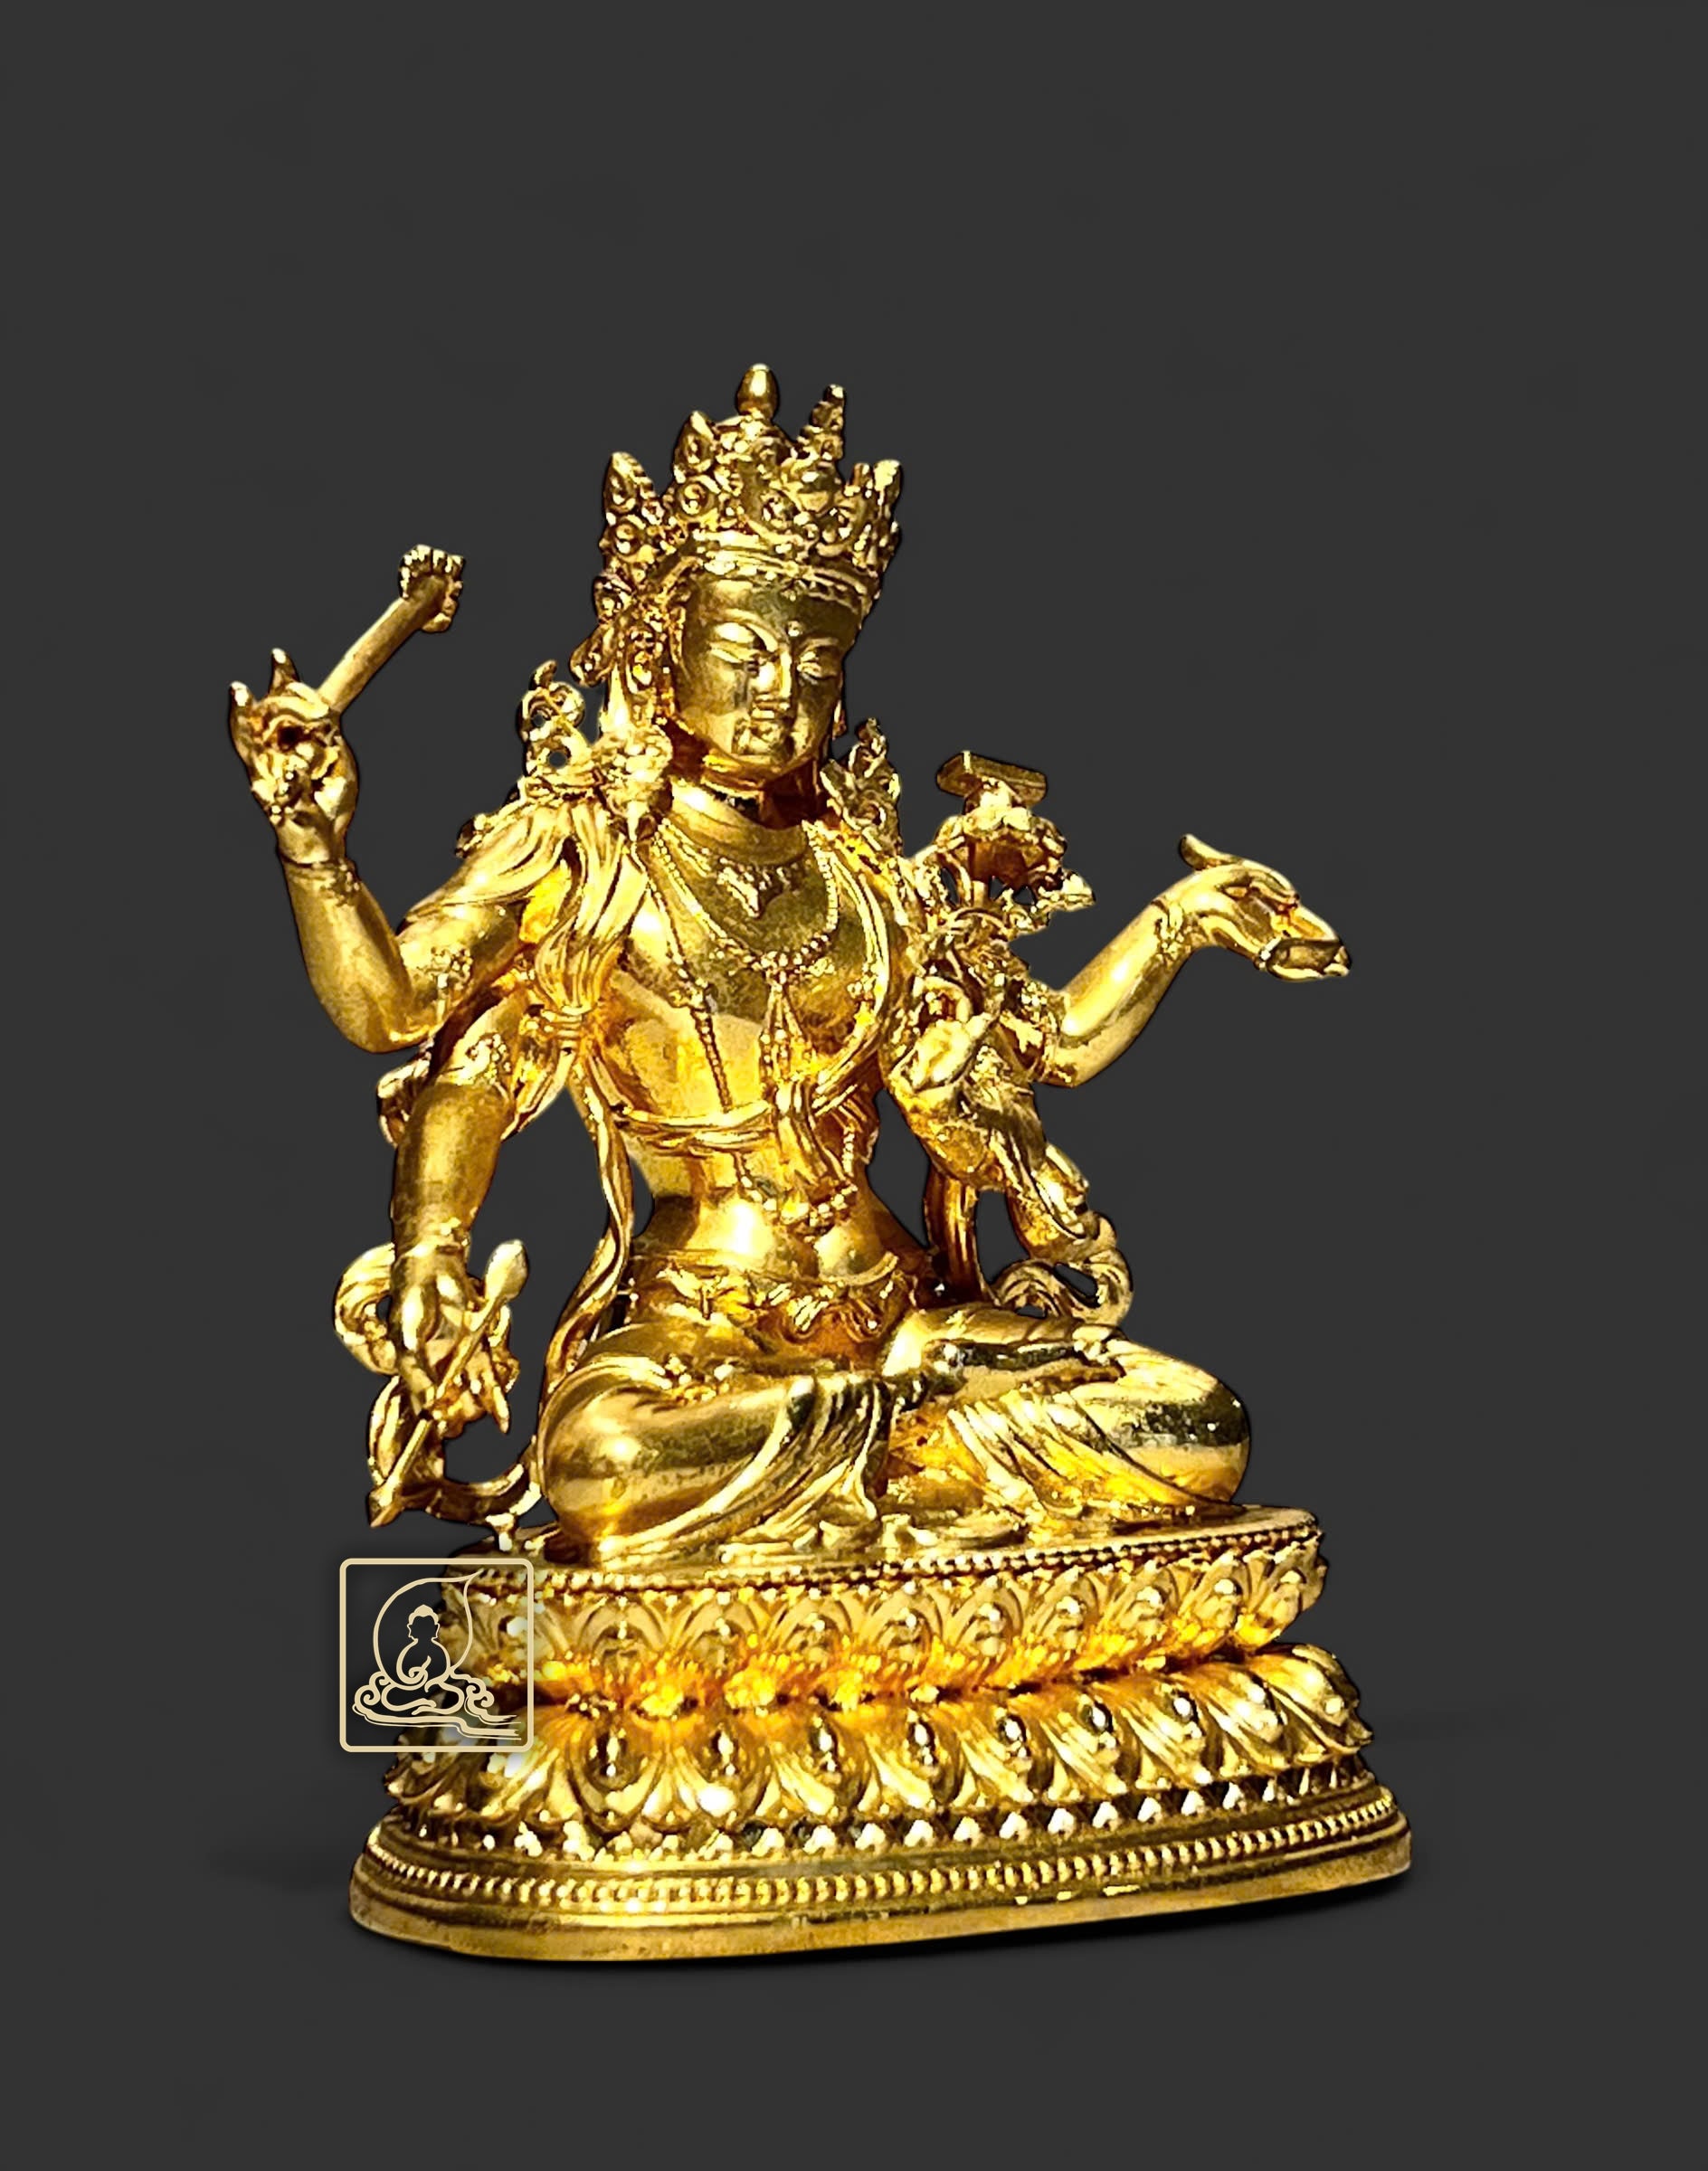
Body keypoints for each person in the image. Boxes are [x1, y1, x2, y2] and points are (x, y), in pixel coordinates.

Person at [230, 366, 1348, 1565]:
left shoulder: (862, 872)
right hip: (701, 1335)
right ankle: (896, 1450)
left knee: (1195, 1427)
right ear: (661, 647)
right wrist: (315, 852)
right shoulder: (586, 851)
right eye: (746, 650)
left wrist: (1181, 919)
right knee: (602, 1467)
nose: (782, 690)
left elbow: (1048, 1045)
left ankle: (877, 1451)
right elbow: (400, 1012)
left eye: (819, 665)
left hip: (902, 1315)